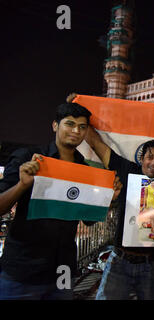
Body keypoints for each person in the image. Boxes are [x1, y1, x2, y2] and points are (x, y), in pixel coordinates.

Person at [0, 103, 121, 300]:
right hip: (23, 269)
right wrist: (22, 185)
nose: (76, 131)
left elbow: (88, 220)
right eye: (70, 124)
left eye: (82, 127)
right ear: (55, 125)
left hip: (62, 271)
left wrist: (108, 199)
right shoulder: (29, 158)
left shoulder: (85, 170)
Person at [85, 125, 154, 300]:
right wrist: (78, 109)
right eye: (150, 157)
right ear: (141, 158)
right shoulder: (126, 169)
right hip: (120, 261)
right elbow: (97, 143)